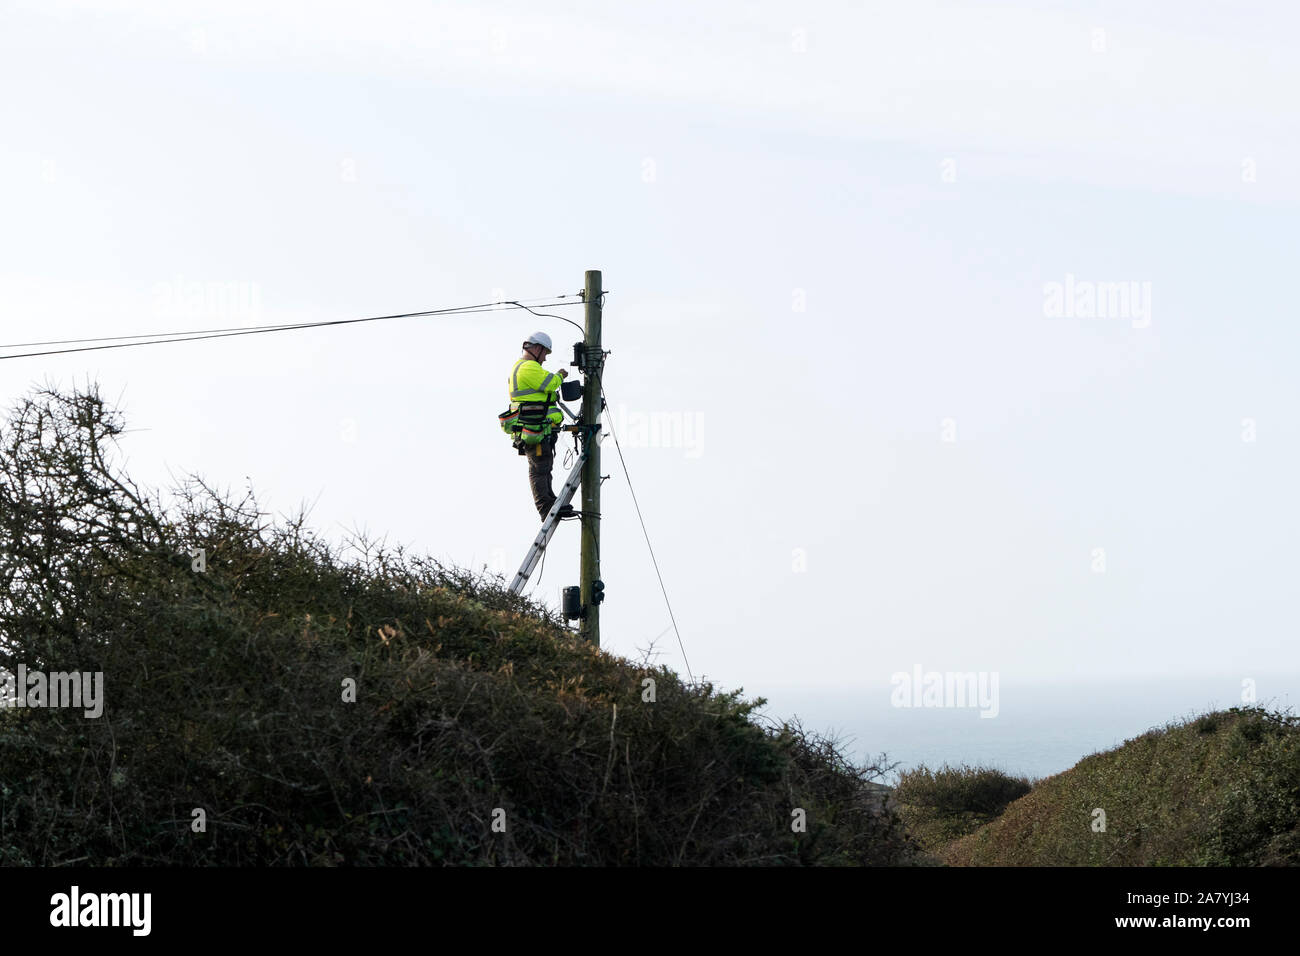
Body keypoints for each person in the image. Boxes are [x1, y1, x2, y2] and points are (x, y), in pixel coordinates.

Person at [505, 331, 575, 520]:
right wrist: (560, 375)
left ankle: (551, 502)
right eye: (545, 353)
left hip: (537, 428)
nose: (544, 359)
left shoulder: (523, 367)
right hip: (534, 429)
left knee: (544, 467)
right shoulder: (528, 367)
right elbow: (550, 384)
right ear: (537, 348)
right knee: (539, 469)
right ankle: (546, 507)